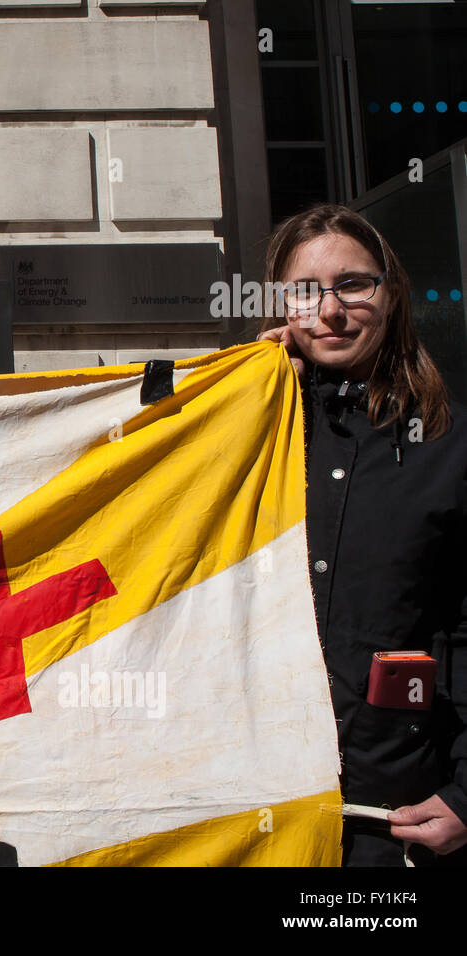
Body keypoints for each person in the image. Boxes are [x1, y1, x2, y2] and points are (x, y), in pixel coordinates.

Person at [259, 203, 467, 866]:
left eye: (354, 283)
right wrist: (241, 397)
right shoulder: (255, 437)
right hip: (256, 807)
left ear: (392, 292)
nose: (330, 310)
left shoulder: (449, 444)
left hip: (394, 820)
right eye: (304, 291)